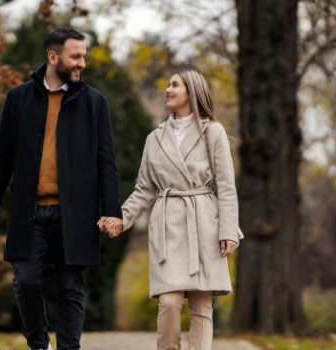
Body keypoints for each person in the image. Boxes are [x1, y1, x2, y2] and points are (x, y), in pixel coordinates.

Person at [0, 27, 123, 350]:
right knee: (25, 281)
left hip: (76, 213)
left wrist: (112, 210)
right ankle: (38, 344)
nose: (82, 63)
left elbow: (107, 163)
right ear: (53, 57)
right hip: (28, 211)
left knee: (70, 287)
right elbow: (1, 159)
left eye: (84, 56)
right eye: (75, 56)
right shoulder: (17, 100)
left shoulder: (95, 103)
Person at [105, 70, 242, 350]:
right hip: (169, 226)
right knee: (169, 302)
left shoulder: (212, 132)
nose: (168, 89)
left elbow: (226, 186)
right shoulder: (154, 138)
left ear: (191, 92)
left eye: (175, 85)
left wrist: (228, 230)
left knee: (202, 305)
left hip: (204, 221)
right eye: (167, 84)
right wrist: (122, 217)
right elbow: (145, 188)